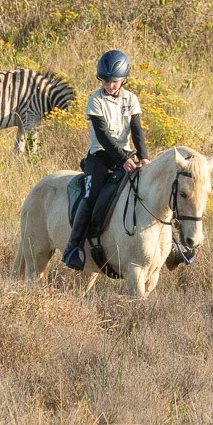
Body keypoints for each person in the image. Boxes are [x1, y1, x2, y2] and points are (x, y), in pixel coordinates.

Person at [63, 50, 149, 270]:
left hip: (126, 155)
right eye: (105, 80)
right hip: (99, 156)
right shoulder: (95, 100)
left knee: (150, 190)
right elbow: (103, 136)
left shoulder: (132, 99)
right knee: (91, 196)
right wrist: (122, 160)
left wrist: (144, 157)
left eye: (114, 81)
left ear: (123, 79)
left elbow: (137, 131)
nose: (110, 85)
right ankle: (73, 248)